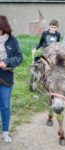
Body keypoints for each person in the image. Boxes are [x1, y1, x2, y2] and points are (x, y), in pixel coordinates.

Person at [0, 15, 22, 143]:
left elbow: (19, 57)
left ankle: (5, 132)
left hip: (6, 79)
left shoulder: (13, 41)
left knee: (5, 106)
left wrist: (6, 62)